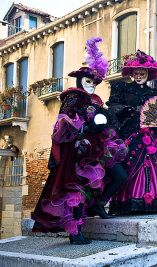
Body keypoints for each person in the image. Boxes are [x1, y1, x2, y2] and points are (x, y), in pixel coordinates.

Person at [31, 37, 128, 244]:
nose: (92, 85)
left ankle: (100, 204)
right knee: (77, 189)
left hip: (99, 148)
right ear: (79, 81)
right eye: (88, 81)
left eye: (94, 82)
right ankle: (75, 232)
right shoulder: (74, 97)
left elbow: (104, 121)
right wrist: (85, 127)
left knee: (119, 175)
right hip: (79, 150)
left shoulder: (95, 101)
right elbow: (63, 121)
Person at [107, 51, 157, 214]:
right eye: (136, 73)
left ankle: (152, 202)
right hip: (131, 132)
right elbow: (113, 107)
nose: (139, 76)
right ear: (132, 73)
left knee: (155, 162)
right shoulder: (123, 88)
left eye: (142, 73)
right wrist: (127, 110)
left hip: (152, 134)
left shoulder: (155, 94)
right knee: (131, 163)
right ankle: (130, 202)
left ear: (148, 74)